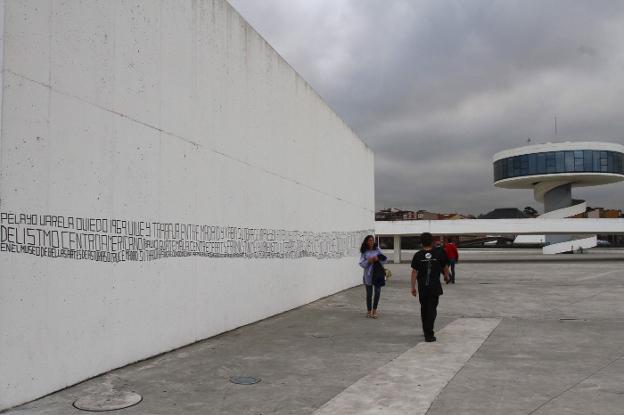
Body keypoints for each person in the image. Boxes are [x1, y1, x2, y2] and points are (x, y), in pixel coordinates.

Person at [410, 232, 449, 342]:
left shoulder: (418, 255)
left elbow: (414, 272)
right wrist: (446, 276)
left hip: (423, 287)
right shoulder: (439, 253)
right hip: (434, 287)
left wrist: (413, 287)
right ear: (432, 241)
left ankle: (426, 330)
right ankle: (429, 334)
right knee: (432, 310)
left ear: (421, 242)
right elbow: (445, 266)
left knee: (424, 309)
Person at [358, 235, 387, 319]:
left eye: (372, 240)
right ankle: (369, 311)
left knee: (377, 292)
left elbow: (384, 260)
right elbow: (361, 263)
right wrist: (368, 261)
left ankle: (374, 310)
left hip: (377, 274)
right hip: (368, 275)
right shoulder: (364, 252)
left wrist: (377, 259)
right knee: (369, 294)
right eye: (369, 240)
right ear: (366, 242)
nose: (371, 242)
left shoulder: (377, 250)